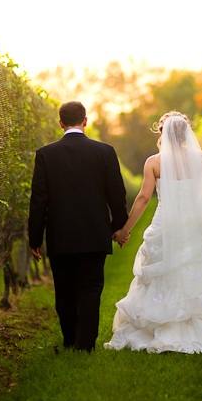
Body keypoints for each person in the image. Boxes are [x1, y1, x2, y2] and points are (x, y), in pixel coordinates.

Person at [104, 112, 202, 358]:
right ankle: (200, 322)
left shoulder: (154, 162)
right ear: (186, 133)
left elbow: (144, 197)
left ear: (162, 133)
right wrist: (200, 198)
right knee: (196, 267)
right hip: (193, 221)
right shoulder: (198, 157)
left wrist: (125, 230)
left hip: (166, 222)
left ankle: (165, 322)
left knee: (165, 268)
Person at [28, 101, 129, 352]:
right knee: (91, 289)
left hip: (60, 235)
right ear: (86, 120)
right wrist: (119, 227)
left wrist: (35, 238)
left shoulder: (45, 154)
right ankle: (85, 346)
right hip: (95, 234)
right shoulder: (105, 151)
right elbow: (116, 194)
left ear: (60, 123)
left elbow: (39, 199)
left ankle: (70, 339)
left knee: (64, 290)